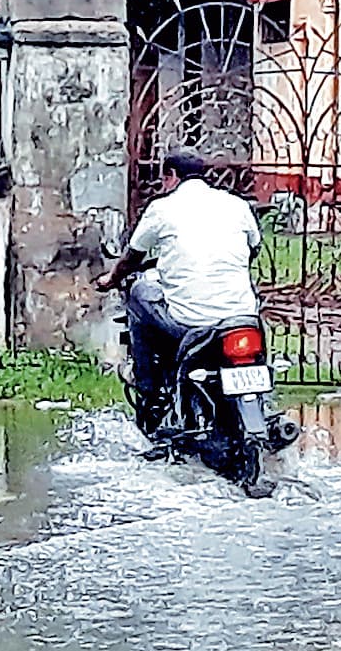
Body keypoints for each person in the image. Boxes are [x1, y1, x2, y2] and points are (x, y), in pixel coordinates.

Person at [95, 149, 262, 437]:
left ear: (171, 177)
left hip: (191, 321)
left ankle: (149, 389)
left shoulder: (162, 208)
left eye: (164, 179)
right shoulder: (236, 204)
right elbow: (254, 248)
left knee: (138, 295)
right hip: (242, 319)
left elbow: (133, 257)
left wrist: (111, 279)